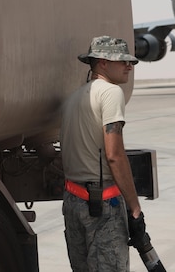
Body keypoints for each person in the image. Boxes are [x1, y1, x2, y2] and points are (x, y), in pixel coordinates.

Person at [60, 35, 144, 272]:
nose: (129, 66)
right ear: (102, 63)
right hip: (102, 206)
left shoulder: (74, 98)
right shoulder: (111, 93)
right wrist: (135, 209)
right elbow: (114, 155)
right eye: (122, 61)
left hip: (73, 202)